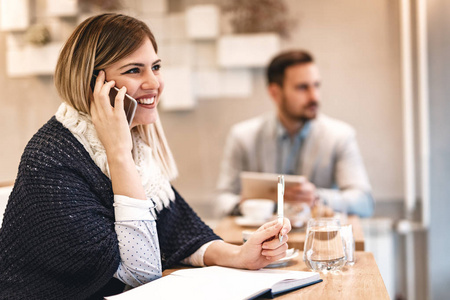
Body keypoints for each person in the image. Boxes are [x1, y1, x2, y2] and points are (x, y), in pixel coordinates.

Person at [0, 14, 291, 300]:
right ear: (93, 84)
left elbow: (179, 233)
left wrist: (241, 255)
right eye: (134, 70)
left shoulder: (137, 145)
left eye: (156, 66)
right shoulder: (52, 159)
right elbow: (142, 271)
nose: (154, 83)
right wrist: (119, 155)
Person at [216, 50, 374, 218]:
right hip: (262, 240)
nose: (314, 96)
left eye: (316, 85)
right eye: (302, 87)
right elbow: (221, 200)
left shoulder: (340, 136)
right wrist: (243, 206)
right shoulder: (243, 137)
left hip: (317, 239)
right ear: (275, 93)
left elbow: (364, 202)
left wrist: (317, 197)